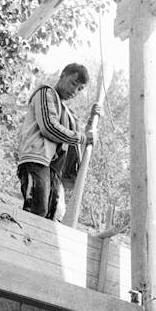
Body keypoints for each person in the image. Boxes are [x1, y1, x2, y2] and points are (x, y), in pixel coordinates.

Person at [16, 63, 100, 221]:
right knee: (36, 210)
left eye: (80, 89)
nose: (75, 91)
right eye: (73, 83)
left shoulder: (66, 112)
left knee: (53, 216)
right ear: (63, 75)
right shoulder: (45, 93)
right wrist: (83, 136)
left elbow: (76, 139)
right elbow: (50, 127)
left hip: (53, 169)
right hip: (37, 159)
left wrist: (91, 120)